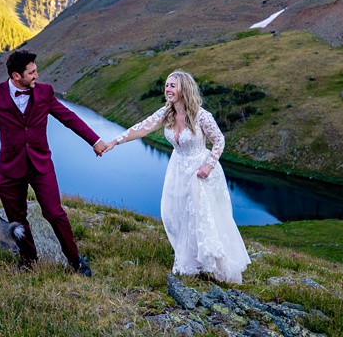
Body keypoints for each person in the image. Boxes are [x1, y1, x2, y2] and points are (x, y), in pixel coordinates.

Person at [0, 49, 108, 275]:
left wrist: (94, 141)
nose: (37, 76)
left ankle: (76, 261)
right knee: (17, 219)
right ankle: (29, 260)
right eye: (32, 72)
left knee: (55, 214)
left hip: (41, 166)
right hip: (10, 169)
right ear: (16, 76)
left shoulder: (45, 92)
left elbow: (69, 118)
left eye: (36, 71)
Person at [103, 70, 250, 283]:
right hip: (177, 169)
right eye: (166, 85)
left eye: (172, 85)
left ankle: (208, 264)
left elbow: (219, 140)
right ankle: (189, 261)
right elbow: (142, 128)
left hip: (199, 171)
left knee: (199, 216)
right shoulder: (166, 113)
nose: (168, 89)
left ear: (184, 89)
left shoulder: (201, 115)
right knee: (174, 214)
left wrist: (209, 165)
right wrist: (114, 142)